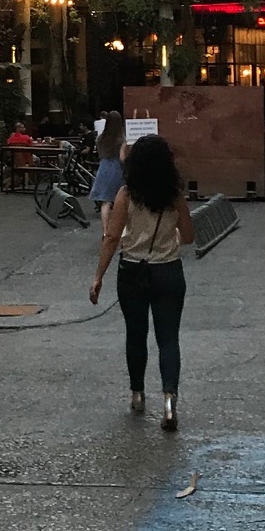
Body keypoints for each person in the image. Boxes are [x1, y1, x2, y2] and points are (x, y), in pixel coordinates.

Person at [89, 133, 195, 431]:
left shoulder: (126, 195)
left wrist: (98, 277)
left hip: (132, 271)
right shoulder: (175, 196)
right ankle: (170, 403)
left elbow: (111, 238)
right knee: (168, 338)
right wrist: (171, 236)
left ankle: (137, 394)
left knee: (136, 335)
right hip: (168, 270)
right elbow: (189, 236)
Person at [88, 110, 127, 219]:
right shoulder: (121, 140)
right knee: (119, 199)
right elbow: (122, 158)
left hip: (103, 168)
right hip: (117, 169)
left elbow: (100, 154)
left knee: (105, 202)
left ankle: (105, 227)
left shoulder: (100, 139)